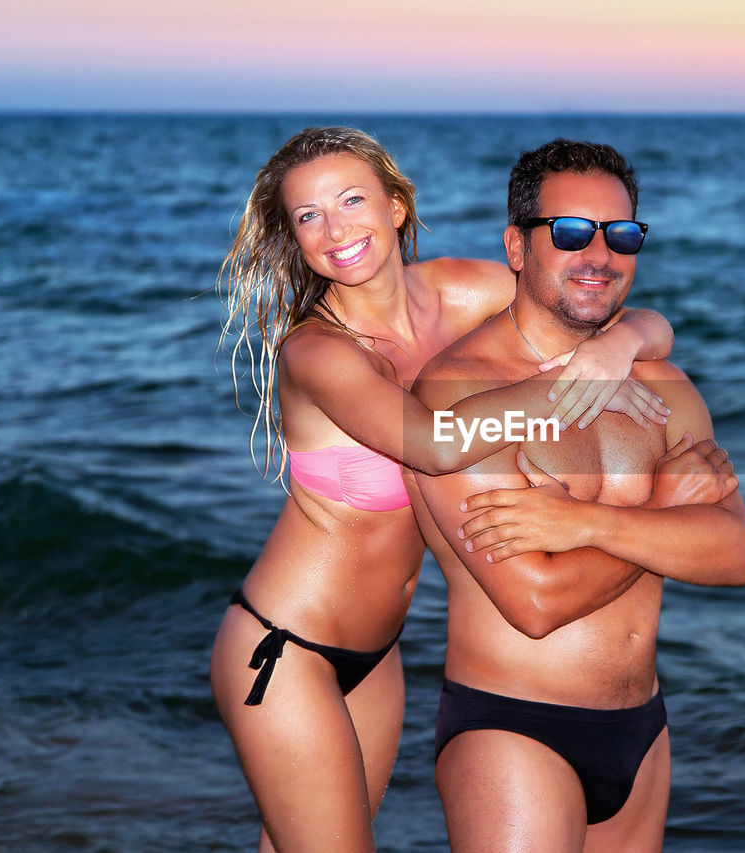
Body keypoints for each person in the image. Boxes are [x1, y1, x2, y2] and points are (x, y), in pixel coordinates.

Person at [208, 126, 676, 853]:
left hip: (378, 654)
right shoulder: (317, 350)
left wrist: (620, 344)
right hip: (284, 647)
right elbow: (433, 442)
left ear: (396, 206)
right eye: (309, 216)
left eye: (352, 200)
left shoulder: (461, 290)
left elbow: (612, 314)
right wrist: (564, 385)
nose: (336, 229)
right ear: (295, 237)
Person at [407, 138, 745, 851]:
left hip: (643, 726)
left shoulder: (659, 383)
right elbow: (537, 603)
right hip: (515, 727)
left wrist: (584, 523)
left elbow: (734, 553)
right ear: (516, 246)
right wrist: (662, 511)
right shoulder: (459, 397)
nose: (600, 255)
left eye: (621, 235)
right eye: (571, 232)